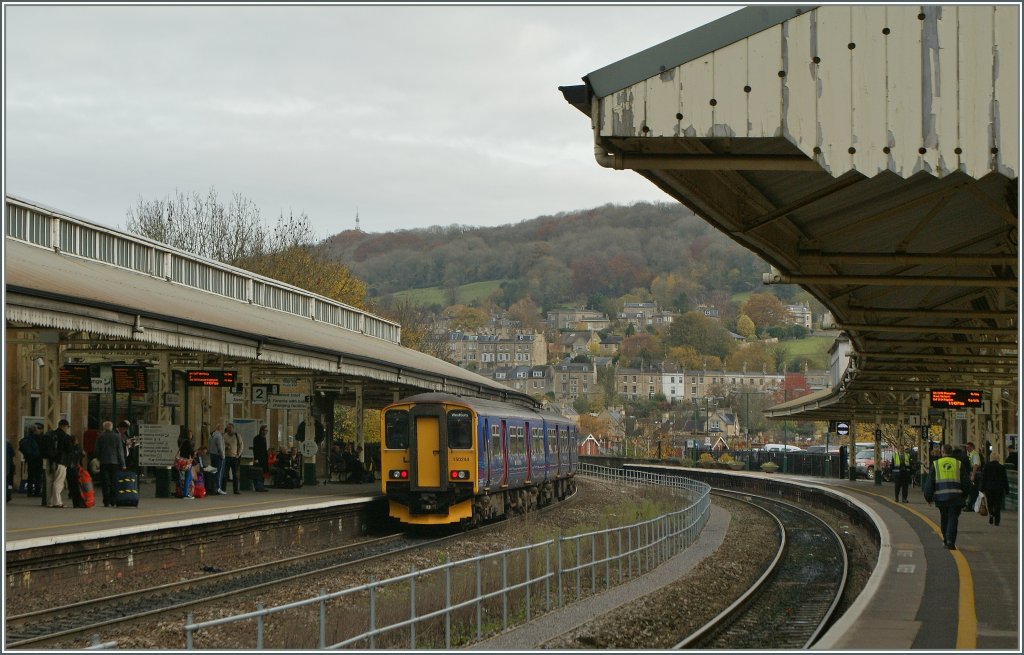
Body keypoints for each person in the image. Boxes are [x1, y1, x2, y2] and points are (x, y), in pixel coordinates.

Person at [925, 443, 970, 550]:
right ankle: (950, 541)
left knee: (944, 518)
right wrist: (965, 495)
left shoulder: (936, 464)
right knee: (953, 519)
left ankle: (946, 539)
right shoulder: (958, 464)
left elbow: (930, 482)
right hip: (956, 497)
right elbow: (966, 482)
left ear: (942, 452)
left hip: (941, 498)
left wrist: (928, 497)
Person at [95, 420, 126, 507]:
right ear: (112, 427)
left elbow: (97, 451)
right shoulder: (117, 437)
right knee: (114, 482)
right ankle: (113, 501)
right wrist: (123, 464)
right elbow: (120, 452)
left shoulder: (100, 437)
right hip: (115, 463)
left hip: (104, 463)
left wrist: (100, 458)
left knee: (105, 482)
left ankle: (106, 501)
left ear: (104, 427)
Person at [46, 419, 74, 508]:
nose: (67, 429)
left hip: (50, 461)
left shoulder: (50, 434)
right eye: (67, 427)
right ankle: (57, 502)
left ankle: (50, 501)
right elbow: (70, 450)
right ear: (64, 426)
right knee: (58, 482)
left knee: (50, 481)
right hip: (61, 461)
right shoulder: (66, 437)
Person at [980, 454, 1010, 527]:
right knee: (997, 504)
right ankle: (997, 521)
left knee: (990, 503)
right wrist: (1007, 489)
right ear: (998, 459)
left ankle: (991, 514)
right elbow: (1005, 479)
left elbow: (984, 478)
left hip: (989, 488)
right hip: (999, 489)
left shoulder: (987, 466)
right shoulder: (1002, 467)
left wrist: (981, 488)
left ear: (991, 458)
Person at [18, 423, 44, 497]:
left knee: (30, 476)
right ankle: (37, 492)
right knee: (38, 477)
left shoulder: (26, 438)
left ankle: (29, 492)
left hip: (30, 460)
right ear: (36, 430)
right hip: (38, 460)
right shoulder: (40, 438)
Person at [222, 423, 242, 495]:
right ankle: (223, 489)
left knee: (235, 474)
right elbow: (221, 446)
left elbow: (241, 445)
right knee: (225, 474)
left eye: (230, 428)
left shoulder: (237, 436)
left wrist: (238, 454)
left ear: (233, 428)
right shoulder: (224, 436)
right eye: (228, 428)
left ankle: (236, 490)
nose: (229, 429)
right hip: (226, 457)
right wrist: (225, 448)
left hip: (234, 457)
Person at [176, 429, 196, 499]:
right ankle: (185, 494)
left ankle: (185, 492)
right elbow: (191, 451)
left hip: (182, 460)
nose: (191, 436)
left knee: (188, 477)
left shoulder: (182, 441)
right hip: (186, 461)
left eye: (191, 434)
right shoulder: (187, 442)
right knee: (188, 477)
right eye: (190, 434)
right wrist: (193, 454)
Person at [208, 423, 227, 495]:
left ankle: (212, 488)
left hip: (212, 455)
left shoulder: (211, 435)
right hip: (219, 456)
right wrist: (223, 456)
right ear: (220, 428)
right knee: (219, 473)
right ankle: (218, 488)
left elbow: (209, 446)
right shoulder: (219, 436)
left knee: (213, 472)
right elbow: (220, 447)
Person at [963, 442, 982, 512]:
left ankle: (971, 506)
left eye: (968, 447)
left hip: (976, 475)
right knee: (972, 491)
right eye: (966, 447)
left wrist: (973, 475)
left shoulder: (975, 454)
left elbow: (975, 465)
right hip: (972, 474)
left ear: (972, 447)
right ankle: (971, 505)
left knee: (974, 491)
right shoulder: (970, 454)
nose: (967, 449)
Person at [251, 426, 269, 492]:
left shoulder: (264, 438)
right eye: (265, 430)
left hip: (263, 458)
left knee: (262, 472)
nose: (266, 432)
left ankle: (261, 486)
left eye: (267, 430)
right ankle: (258, 487)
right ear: (262, 430)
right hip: (259, 458)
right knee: (258, 472)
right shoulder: (257, 438)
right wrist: (256, 458)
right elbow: (255, 449)